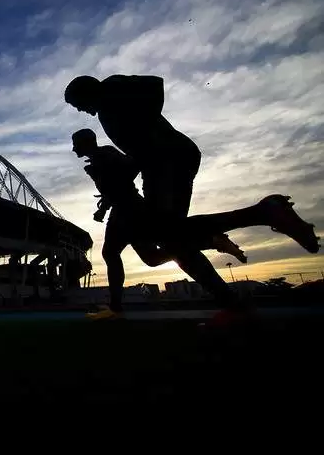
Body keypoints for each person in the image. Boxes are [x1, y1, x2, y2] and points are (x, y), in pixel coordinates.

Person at [65, 75, 319, 320]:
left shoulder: (111, 90)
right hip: (161, 164)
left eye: (77, 104)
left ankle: (261, 214)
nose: (80, 110)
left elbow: (155, 84)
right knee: (174, 240)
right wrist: (140, 156)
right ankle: (233, 304)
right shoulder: (107, 113)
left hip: (168, 161)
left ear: (86, 92)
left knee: (168, 236)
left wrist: (152, 134)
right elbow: (136, 155)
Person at [71, 129, 245, 320]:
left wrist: (115, 184)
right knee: (151, 258)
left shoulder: (106, 154)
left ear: (86, 142)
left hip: (128, 210)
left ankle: (115, 307)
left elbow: (132, 166)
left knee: (111, 253)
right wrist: (103, 208)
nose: (73, 149)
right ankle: (210, 241)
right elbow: (112, 188)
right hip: (125, 209)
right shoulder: (98, 159)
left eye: (76, 144)